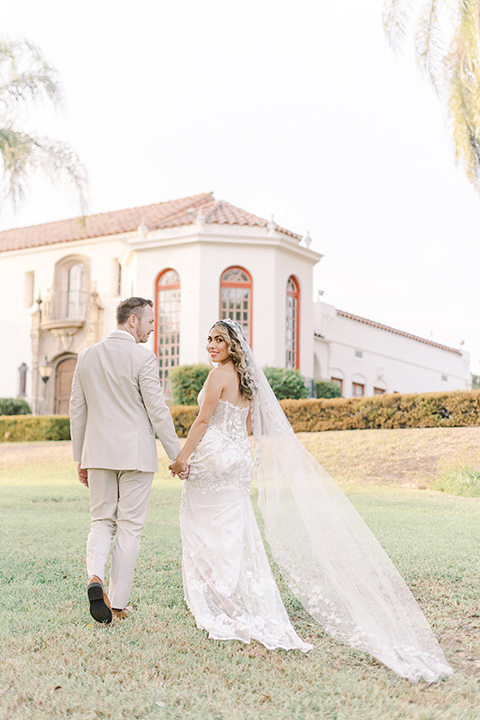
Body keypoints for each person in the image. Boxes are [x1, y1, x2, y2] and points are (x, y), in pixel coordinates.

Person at [169, 319, 453, 682]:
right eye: (209, 339)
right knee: (235, 530)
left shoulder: (216, 377)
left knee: (202, 527)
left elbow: (202, 421)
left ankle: (219, 600)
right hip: (239, 458)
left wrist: (182, 458)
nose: (211, 345)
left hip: (214, 457)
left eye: (218, 340)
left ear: (231, 345)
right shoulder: (246, 379)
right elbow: (250, 426)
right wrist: (232, 447)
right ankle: (236, 597)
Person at [70, 297, 181, 624]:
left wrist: (80, 458)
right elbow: (157, 411)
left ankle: (95, 577)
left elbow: (77, 411)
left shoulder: (86, 356)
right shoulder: (143, 357)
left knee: (101, 521)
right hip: (136, 454)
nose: (152, 327)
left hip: (98, 453)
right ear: (132, 320)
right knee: (130, 528)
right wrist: (177, 456)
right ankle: (117, 604)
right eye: (149, 321)